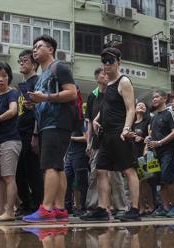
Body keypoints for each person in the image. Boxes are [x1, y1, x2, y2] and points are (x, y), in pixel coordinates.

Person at [22, 35, 77, 223]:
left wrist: (45, 98)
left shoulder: (58, 67)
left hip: (57, 122)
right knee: (58, 166)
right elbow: (43, 99)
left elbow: (72, 92)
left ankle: (46, 208)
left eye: (39, 46)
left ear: (50, 49)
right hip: (46, 124)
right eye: (34, 47)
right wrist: (36, 104)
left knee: (50, 166)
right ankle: (60, 209)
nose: (35, 50)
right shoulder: (41, 76)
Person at [81, 47, 140, 222]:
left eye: (111, 61)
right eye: (104, 62)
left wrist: (126, 129)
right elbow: (107, 106)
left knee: (128, 170)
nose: (107, 65)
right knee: (100, 170)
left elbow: (131, 109)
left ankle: (135, 210)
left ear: (119, 62)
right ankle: (101, 209)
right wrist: (97, 119)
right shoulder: (108, 84)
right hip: (105, 136)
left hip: (119, 133)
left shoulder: (124, 82)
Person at [83, 67, 128, 217]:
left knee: (115, 175)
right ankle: (95, 207)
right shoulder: (92, 96)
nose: (106, 75)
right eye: (103, 73)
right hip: (97, 141)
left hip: (114, 138)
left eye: (107, 73)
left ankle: (120, 207)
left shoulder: (115, 91)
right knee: (96, 174)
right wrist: (89, 142)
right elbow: (90, 122)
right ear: (97, 78)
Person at [0, 62, 22, 221]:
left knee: (8, 177)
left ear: (9, 77)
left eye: (4, 76)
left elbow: (13, 110)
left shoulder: (11, 93)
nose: (1, 79)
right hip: (1, 143)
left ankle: (10, 211)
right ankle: (0, 209)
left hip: (11, 141)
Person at [15, 49, 43, 217]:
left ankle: (37, 205)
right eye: (19, 60)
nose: (21, 63)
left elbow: (38, 110)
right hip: (18, 133)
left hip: (30, 133)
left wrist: (35, 134)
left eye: (24, 60)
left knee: (33, 171)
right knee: (19, 172)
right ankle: (26, 203)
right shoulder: (22, 85)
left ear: (34, 64)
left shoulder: (37, 82)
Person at [144, 90, 174, 217]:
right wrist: (149, 138)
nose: (154, 99)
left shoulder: (170, 113)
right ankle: (165, 207)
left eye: (157, 97)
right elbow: (151, 133)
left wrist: (159, 142)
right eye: (153, 97)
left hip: (168, 152)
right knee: (159, 180)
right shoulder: (154, 117)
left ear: (165, 98)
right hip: (155, 153)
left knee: (167, 179)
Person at [64, 87, 89, 216]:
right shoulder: (67, 119)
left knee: (81, 182)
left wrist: (71, 138)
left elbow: (86, 138)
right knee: (66, 180)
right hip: (69, 154)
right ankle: (67, 206)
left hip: (80, 154)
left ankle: (83, 207)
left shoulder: (81, 119)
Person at [132, 101, 153, 215]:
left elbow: (150, 135)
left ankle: (150, 205)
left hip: (143, 153)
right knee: (136, 182)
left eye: (144, 105)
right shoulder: (131, 123)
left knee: (144, 181)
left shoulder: (147, 120)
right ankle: (140, 207)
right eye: (139, 105)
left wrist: (144, 139)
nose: (141, 106)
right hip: (132, 153)